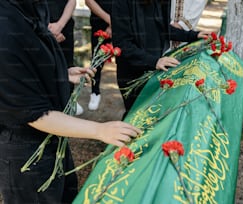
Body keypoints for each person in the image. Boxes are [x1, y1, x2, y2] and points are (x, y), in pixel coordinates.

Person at [0, 0, 141, 203]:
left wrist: (62, 74)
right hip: (25, 149)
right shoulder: (5, 26)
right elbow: (31, 112)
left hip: (53, 137)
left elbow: (29, 67)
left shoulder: (29, 9)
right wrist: (99, 130)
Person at [111, 0, 207, 117]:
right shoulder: (120, 3)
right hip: (132, 73)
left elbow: (165, 30)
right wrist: (154, 61)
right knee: (134, 117)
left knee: (154, 117)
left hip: (154, 70)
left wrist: (194, 35)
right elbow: (122, 44)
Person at [46, 0, 85, 115]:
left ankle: (68, 99)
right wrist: (45, 32)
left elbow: (71, 1)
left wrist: (59, 26)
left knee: (66, 63)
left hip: (64, 25)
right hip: (40, 27)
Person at [85, 0, 112, 111]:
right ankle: (95, 92)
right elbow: (89, 1)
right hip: (99, 24)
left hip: (124, 23)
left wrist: (116, 24)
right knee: (96, 61)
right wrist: (111, 21)